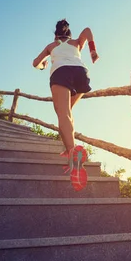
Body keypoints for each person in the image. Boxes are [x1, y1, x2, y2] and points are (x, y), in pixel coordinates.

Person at [32, 19, 99, 162]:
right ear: (69, 33)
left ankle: (72, 152)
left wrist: (43, 65)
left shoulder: (51, 46)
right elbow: (87, 30)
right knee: (67, 113)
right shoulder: (75, 43)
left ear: (56, 35)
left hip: (60, 73)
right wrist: (92, 51)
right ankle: (70, 148)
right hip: (81, 72)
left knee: (64, 115)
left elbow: (35, 63)